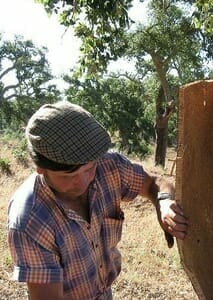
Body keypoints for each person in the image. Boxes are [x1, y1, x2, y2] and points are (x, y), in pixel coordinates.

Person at [7, 101, 188, 300]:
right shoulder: (30, 220)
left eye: (89, 168)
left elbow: (155, 182)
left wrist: (163, 202)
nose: (84, 181)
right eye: (69, 175)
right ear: (40, 168)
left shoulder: (108, 166)